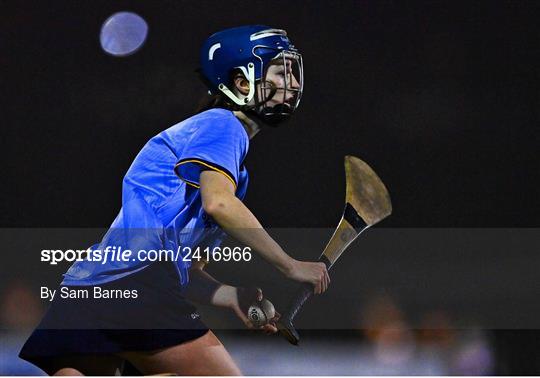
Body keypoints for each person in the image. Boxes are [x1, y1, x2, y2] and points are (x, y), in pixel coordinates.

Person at [19, 25, 330, 376]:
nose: (292, 81)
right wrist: (290, 265)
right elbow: (220, 205)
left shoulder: (224, 161)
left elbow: (187, 273)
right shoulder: (223, 126)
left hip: (87, 288)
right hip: (137, 283)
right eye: (280, 70)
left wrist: (231, 295)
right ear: (241, 82)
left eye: (292, 70)